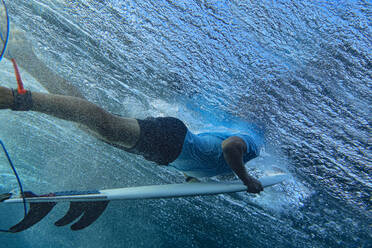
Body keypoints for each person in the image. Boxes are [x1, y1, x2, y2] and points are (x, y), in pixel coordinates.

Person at [0, 28, 264, 194]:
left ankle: (28, 60)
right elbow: (231, 147)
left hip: (167, 148)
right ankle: (15, 98)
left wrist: (195, 178)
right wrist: (248, 179)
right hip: (172, 140)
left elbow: (210, 156)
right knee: (105, 124)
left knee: (91, 124)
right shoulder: (253, 143)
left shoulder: (216, 166)